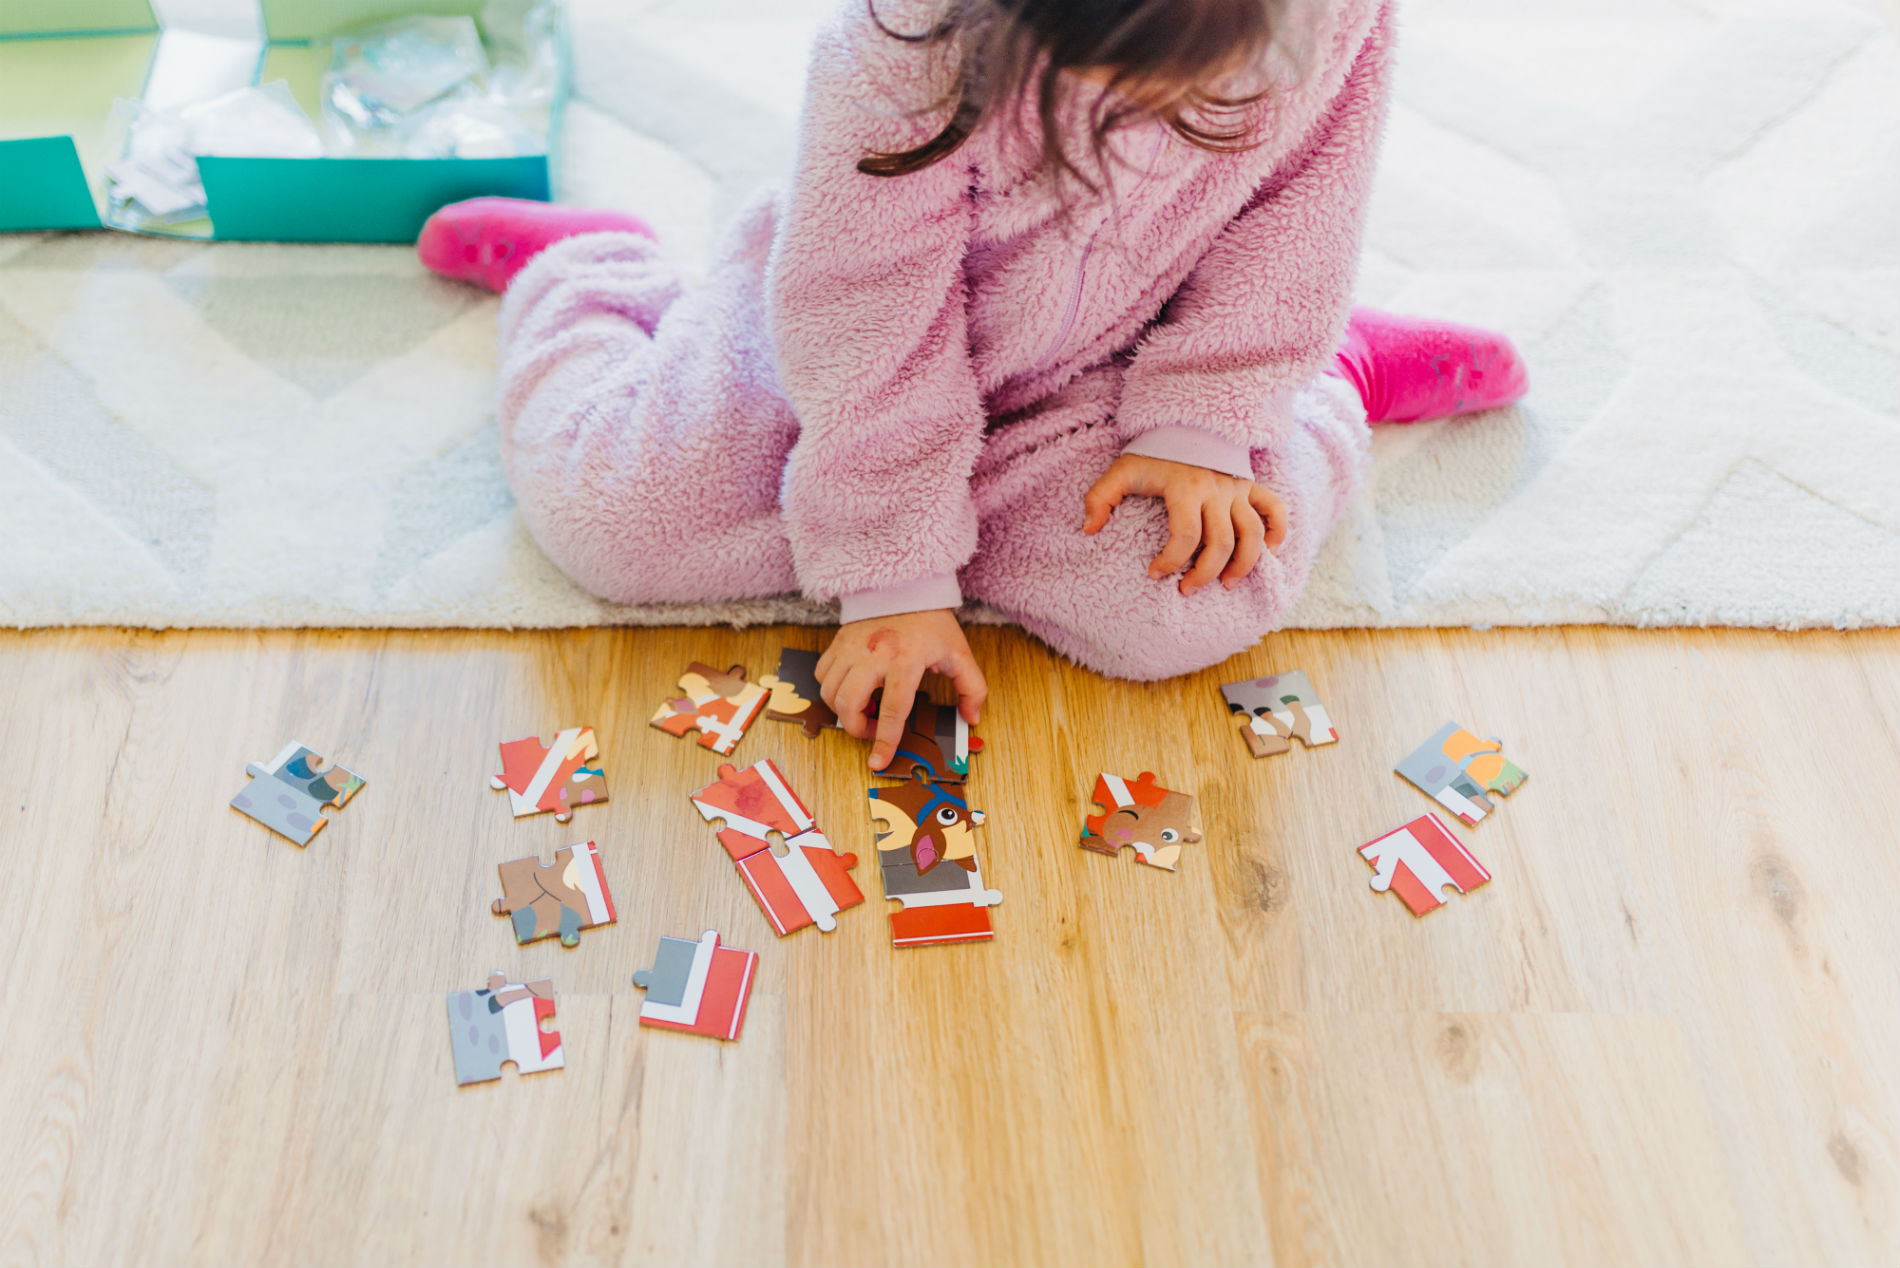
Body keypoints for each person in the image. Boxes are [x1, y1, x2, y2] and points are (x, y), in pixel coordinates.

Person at [417, 0, 1528, 772]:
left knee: (1186, 601)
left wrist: (1211, 413)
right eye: (1126, 84)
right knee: (618, 525)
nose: (1169, 108)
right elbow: (859, 315)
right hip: (848, 347)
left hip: (1121, 357)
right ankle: (595, 274)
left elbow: (1304, 206)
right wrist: (894, 572)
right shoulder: (902, 41)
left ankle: (1336, 369)